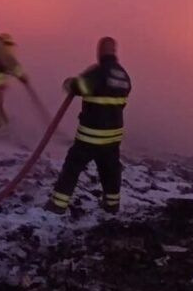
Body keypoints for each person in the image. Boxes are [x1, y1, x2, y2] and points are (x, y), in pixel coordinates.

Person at [46, 37, 131, 215]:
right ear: (114, 51)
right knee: (110, 170)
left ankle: (58, 204)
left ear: (100, 51)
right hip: (112, 137)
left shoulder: (98, 72)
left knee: (73, 167)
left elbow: (80, 87)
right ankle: (112, 205)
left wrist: (70, 82)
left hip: (91, 135)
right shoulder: (124, 75)